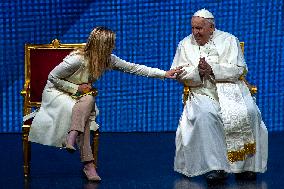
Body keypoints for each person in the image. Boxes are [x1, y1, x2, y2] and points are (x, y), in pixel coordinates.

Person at [28, 26, 181, 181]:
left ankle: (73, 135)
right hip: (57, 93)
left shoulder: (108, 60)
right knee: (85, 115)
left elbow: (134, 68)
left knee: (89, 99)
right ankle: (89, 164)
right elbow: (52, 77)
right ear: (102, 46)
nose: (113, 47)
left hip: (79, 97)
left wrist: (164, 74)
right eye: (111, 44)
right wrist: (76, 87)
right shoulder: (77, 60)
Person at [171, 9, 268, 183]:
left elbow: (240, 69)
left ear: (211, 27)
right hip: (202, 91)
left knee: (250, 112)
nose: (195, 32)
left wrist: (213, 69)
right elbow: (178, 72)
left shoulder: (230, 40)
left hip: (232, 89)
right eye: (193, 28)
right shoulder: (184, 44)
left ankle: (245, 167)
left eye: (199, 28)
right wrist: (198, 72)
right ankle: (216, 167)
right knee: (206, 115)